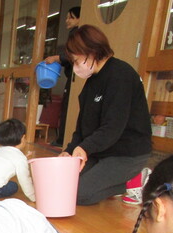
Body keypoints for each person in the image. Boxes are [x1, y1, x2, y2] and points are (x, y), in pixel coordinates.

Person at [59, 25, 152, 206]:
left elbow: (113, 127)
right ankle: (113, 182)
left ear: (91, 51)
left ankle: (137, 179)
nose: (76, 67)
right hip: (101, 151)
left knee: (77, 194)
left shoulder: (121, 75)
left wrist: (85, 148)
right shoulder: (92, 81)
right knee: (64, 186)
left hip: (127, 154)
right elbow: (82, 128)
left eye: (76, 61)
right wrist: (69, 151)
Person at [43, 6, 80, 147]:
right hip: (72, 76)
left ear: (80, 18)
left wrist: (56, 58)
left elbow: (72, 55)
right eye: (67, 17)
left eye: (71, 17)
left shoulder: (77, 34)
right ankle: (63, 140)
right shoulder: (74, 33)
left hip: (75, 79)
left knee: (67, 108)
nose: (67, 20)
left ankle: (62, 140)